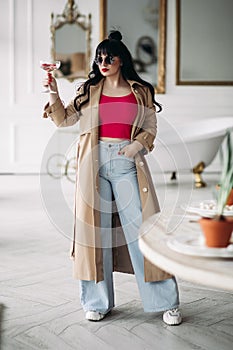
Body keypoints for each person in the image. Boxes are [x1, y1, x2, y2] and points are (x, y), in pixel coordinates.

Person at [42, 30, 182, 326]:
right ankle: (97, 303)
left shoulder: (139, 90)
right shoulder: (89, 89)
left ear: (122, 60)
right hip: (92, 164)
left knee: (143, 230)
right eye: (99, 58)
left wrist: (135, 147)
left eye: (109, 57)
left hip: (126, 162)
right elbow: (64, 118)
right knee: (94, 234)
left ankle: (166, 302)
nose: (103, 62)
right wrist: (53, 92)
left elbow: (150, 125)